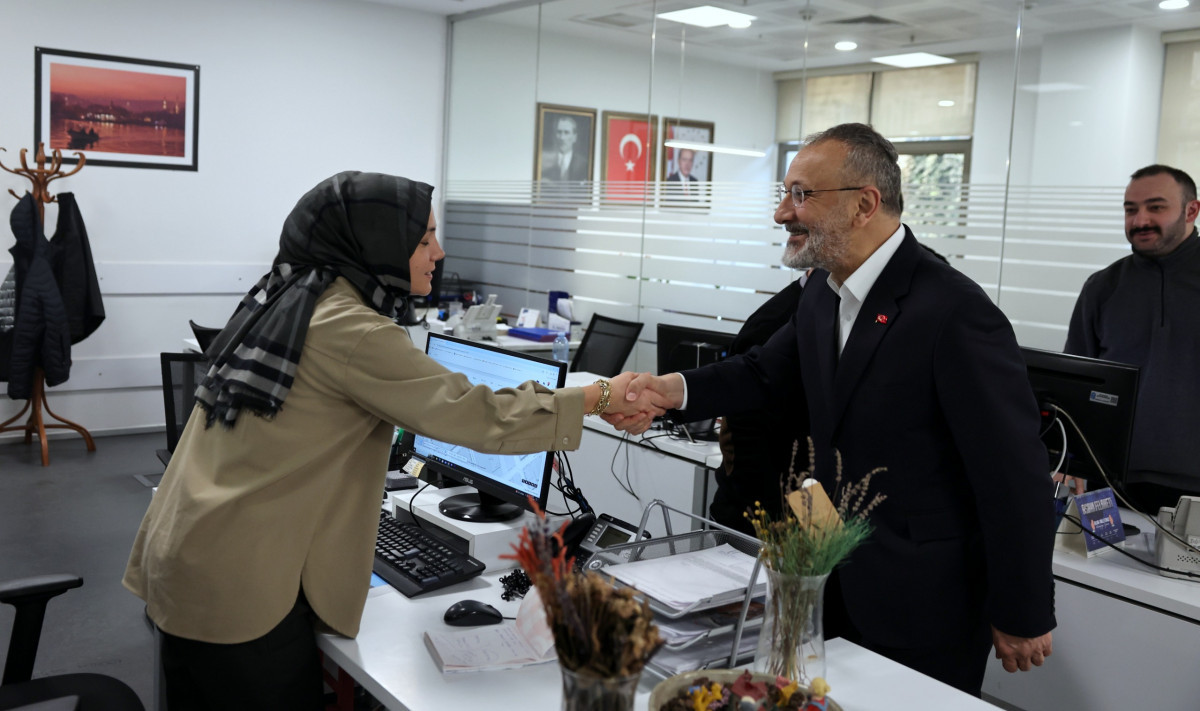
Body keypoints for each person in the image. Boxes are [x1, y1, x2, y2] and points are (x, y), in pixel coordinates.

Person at [122, 172, 659, 710]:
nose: (438, 252)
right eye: (423, 239)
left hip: (194, 555)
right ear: (376, 244)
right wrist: (598, 396)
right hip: (241, 589)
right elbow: (480, 414)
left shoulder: (290, 300)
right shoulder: (353, 329)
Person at [609, 123, 1056, 696]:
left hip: (923, 600)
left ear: (864, 204)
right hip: (828, 573)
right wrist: (667, 390)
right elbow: (763, 372)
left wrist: (1022, 610)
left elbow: (1013, 473)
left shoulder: (954, 311)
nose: (782, 213)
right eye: (785, 194)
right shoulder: (822, 292)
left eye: (801, 195)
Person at [1064, 164, 1200, 512]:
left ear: (1191, 211)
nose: (1140, 221)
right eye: (1130, 209)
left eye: (1156, 207)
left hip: (1194, 490)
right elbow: (1073, 388)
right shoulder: (1102, 287)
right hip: (1108, 481)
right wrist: (1069, 459)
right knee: (1086, 554)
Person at [541, 115, 589, 181]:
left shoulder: (583, 164)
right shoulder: (544, 162)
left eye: (566, 132)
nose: (562, 137)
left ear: (574, 137)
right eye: (559, 132)